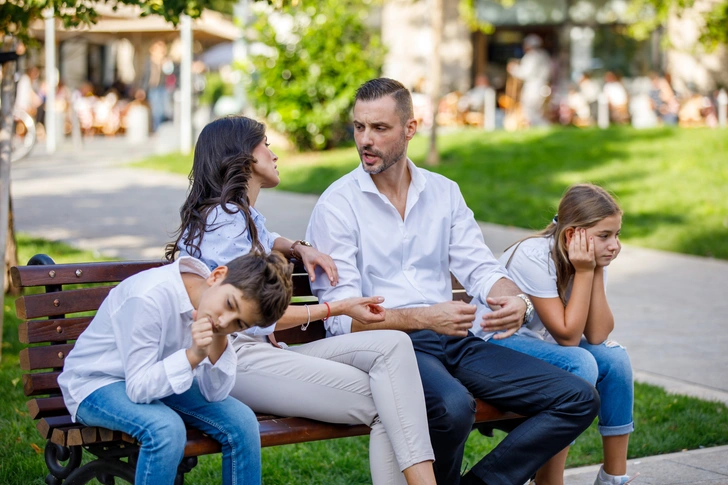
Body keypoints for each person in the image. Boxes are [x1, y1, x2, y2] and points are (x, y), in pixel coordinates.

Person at [306, 78, 600, 485]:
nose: (365, 140)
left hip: (458, 338)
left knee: (577, 397)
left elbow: (480, 267)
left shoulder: (443, 192)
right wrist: (426, 317)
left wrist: (516, 301)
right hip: (393, 348)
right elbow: (342, 320)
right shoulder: (338, 205)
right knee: (453, 406)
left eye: (380, 128)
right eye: (359, 127)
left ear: (410, 129)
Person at [167, 116, 437, 485]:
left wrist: (297, 247)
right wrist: (338, 307)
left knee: (393, 345)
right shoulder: (224, 220)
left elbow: (266, 236)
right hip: (230, 359)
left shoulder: (237, 216)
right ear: (244, 156)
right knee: (390, 405)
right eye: (265, 144)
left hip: (258, 352)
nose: (274, 154)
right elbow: (255, 316)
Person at [58, 251, 294, 485]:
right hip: (97, 383)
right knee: (166, 429)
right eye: (229, 304)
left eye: (239, 323)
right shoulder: (149, 297)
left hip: (157, 378)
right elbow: (138, 388)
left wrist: (219, 339)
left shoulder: (217, 317)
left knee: (242, 422)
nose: (224, 321)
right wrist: (192, 356)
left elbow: (214, 394)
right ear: (217, 275)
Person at [473, 184, 635, 485]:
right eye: (604, 235)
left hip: (536, 345)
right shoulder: (534, 256)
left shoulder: (589, 259)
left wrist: (594, 272)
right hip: (492, 344)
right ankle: (549, 481)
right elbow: (568, 338)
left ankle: (614, 477)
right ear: (573, 235)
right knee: (579, 362)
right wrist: (586, 272)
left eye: (617, 234)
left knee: (615, 358)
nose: (614, 245)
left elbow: (598, 334)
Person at [507, 34, 551, 127]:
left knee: (531, 112)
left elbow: (524, 73)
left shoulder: (531, 56)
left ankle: (544, 128)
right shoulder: (544, 55)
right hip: (542, 87)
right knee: (537, 111)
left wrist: (513, 68)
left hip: (533, 88)